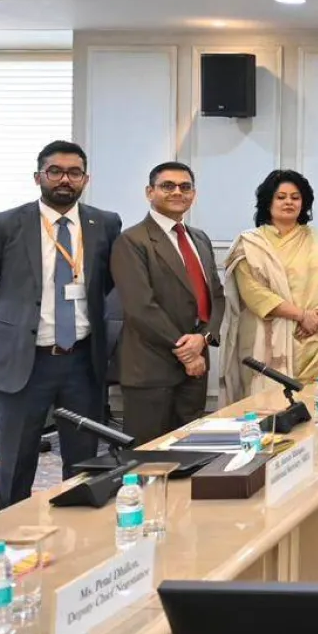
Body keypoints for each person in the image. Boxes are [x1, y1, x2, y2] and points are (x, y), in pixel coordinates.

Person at [0, 141, 122, 509]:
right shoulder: (4, 223)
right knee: (16, 463)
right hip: (25, 361)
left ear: (86, 179)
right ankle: (9, 536)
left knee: (84, 464)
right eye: (55, 171)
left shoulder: (105, 223)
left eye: (74, 172)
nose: (65, 179)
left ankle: (78, 536)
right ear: (38, 177)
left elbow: (108, 283)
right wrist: (15, 321)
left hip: (82, 361)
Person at [221, 169, 318, 400]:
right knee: (267, 408)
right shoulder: (250, 243)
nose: (289, 202)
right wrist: (301, 315)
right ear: (268, 202)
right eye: (281, 197)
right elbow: (254, 293)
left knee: (316, 407)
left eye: (295, 197)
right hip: (264, 340)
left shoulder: (317, 240)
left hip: (312, 341)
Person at [110, 162, 223, 445]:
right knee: (148, 456)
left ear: (193, 194)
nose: (177, 192)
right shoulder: (132, 240)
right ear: (150, 192)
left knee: (190, 450)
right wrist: (188, 352)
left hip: (196, 367)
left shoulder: (199, 238)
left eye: (185, 187)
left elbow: (216, 297)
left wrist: (204, 338)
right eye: (167, 186)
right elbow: (140, 307)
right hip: (151, 368)